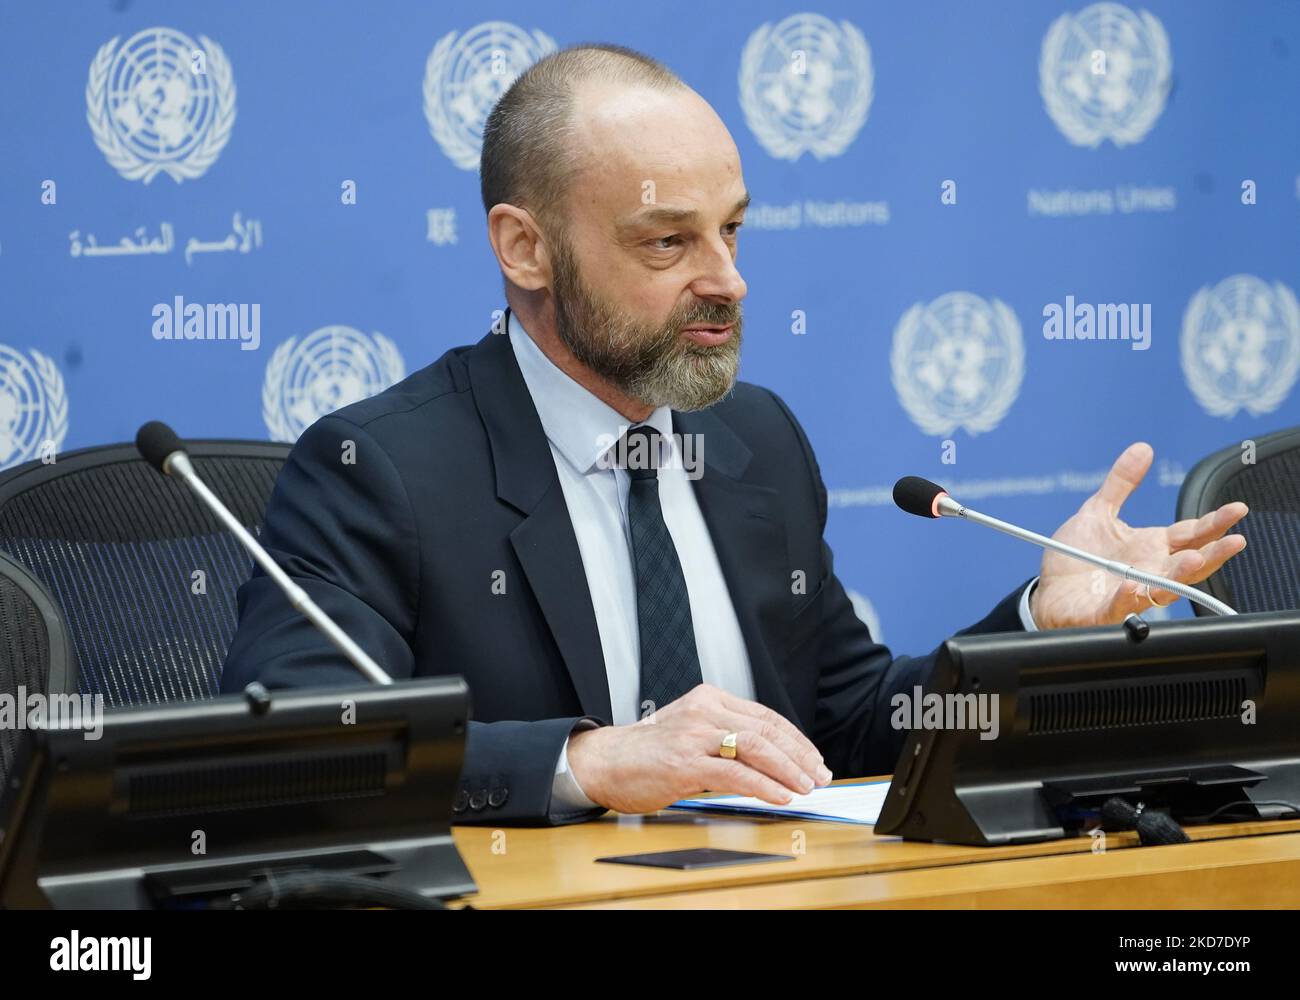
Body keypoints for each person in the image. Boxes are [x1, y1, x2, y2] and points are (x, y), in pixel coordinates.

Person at [221, 44, 1247, 825]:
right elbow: (298, 754)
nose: (727, 280)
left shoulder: (749, 439)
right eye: (668, 241)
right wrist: (583, 763)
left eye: (732, 229)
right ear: (524, 249)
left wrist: (1034, 628)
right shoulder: (381, 469)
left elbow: (843, 722)